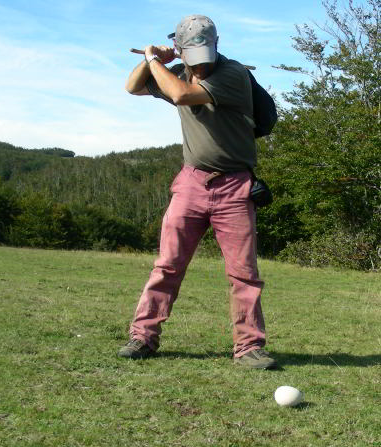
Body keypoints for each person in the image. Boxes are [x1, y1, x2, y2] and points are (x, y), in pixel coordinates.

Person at [118, 14, 276, 369]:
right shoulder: (181, 71)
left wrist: (154, 60)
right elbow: (133, 87)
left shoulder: (233, 75)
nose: (202, 65)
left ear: (216, 46)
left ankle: (249, 347)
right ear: (181, 50)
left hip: (235, 185)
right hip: (191, 182)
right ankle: (143, 337)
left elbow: (180, 95)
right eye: (195, 57)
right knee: (168, 265)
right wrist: (151, 60)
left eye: (207, 55)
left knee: (244, 273)